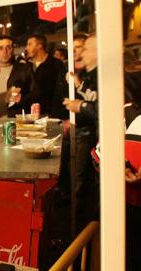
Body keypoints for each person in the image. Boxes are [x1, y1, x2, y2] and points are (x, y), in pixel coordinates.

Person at [62, 34, 99, 233]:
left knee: (82, 181)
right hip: (73, 130)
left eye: (81, 47)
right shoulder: (67, 70)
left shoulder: (93, 74)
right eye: (74, 48)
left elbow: (100, 105)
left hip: (88, 133)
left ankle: (81, 229)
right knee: (74, 176)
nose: (78, 52)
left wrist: (81, 105)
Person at [0, 36, 34, 117]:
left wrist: (22, 98)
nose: (5, 51)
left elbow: (36, 94)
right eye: (1, 48)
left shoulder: (25, 69)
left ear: (13, 50)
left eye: (8, 47)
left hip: (15, 119)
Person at [25, 34, 66, 116]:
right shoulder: (26, 65)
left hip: (49, 114)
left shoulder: (56, 64)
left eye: (30, 44)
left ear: (39, 46)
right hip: (29, 114)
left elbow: (60, 90)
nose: (26, 48)